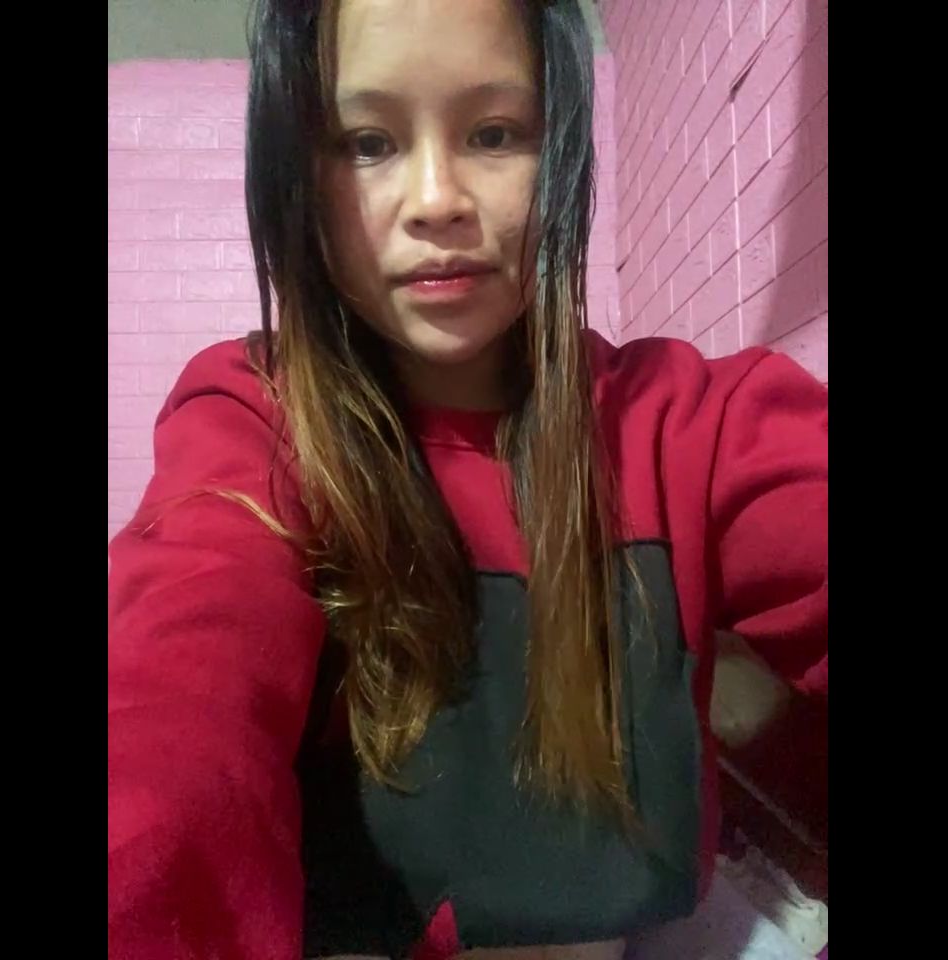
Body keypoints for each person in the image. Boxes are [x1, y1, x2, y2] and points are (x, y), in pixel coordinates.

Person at [107, 0, 828, 957]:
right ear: (297, 177)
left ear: (559, 150)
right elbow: (174, 699)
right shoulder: (253, 416)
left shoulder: (694, 423)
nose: (436, 199)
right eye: (367, 142)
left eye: (494, 133)